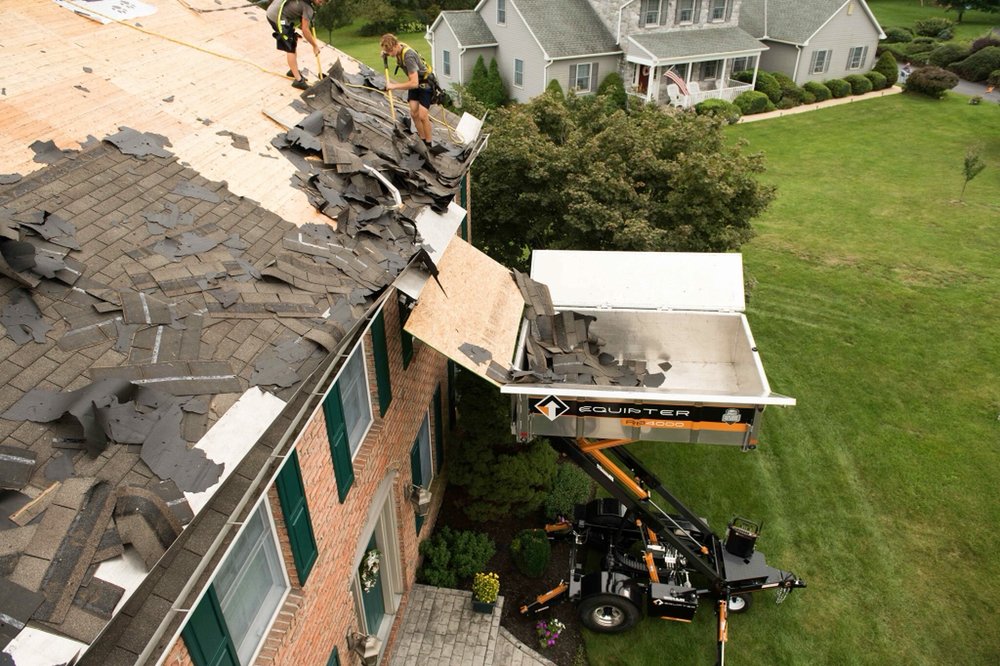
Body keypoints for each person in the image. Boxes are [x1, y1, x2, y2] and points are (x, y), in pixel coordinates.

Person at [380, 33, 433, 144]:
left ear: (395, 45)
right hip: (415, 82)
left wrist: (393, 86)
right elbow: (391, 51)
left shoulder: (408, 56)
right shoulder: (398, 48)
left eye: (390, 51)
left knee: (423, 115)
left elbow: (414, 83)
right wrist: (385, 54)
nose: (390, 54)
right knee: (414, 113)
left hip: (424, 84)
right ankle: (422, 139)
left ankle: (429, 143)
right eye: (388, 52)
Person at [266, 0, 324, 90]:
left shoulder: (308, 6)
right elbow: (305, 30)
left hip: (276, 11)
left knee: (292, 41)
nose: (323, 2)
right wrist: (314, 46)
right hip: (276, 16)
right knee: (290, 46)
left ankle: (293, 71)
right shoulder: (308, 8)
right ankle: (298, 81)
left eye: (326, 1)